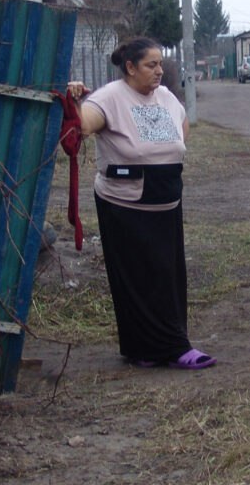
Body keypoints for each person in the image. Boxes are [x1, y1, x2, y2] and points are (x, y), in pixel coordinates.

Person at [65, 37, 216, 370]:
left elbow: (181, 130)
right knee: (136, 278)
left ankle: (156, 347)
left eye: (161, 64)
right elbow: (83, 126)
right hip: (124, 204)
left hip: (165, 201)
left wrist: (162, 155)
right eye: (151, 65)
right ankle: (165, 348)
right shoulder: (109, 97)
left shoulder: (165, 97)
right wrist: (74, 99)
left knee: (168, 276)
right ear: (130, 67)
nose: (159, 71)